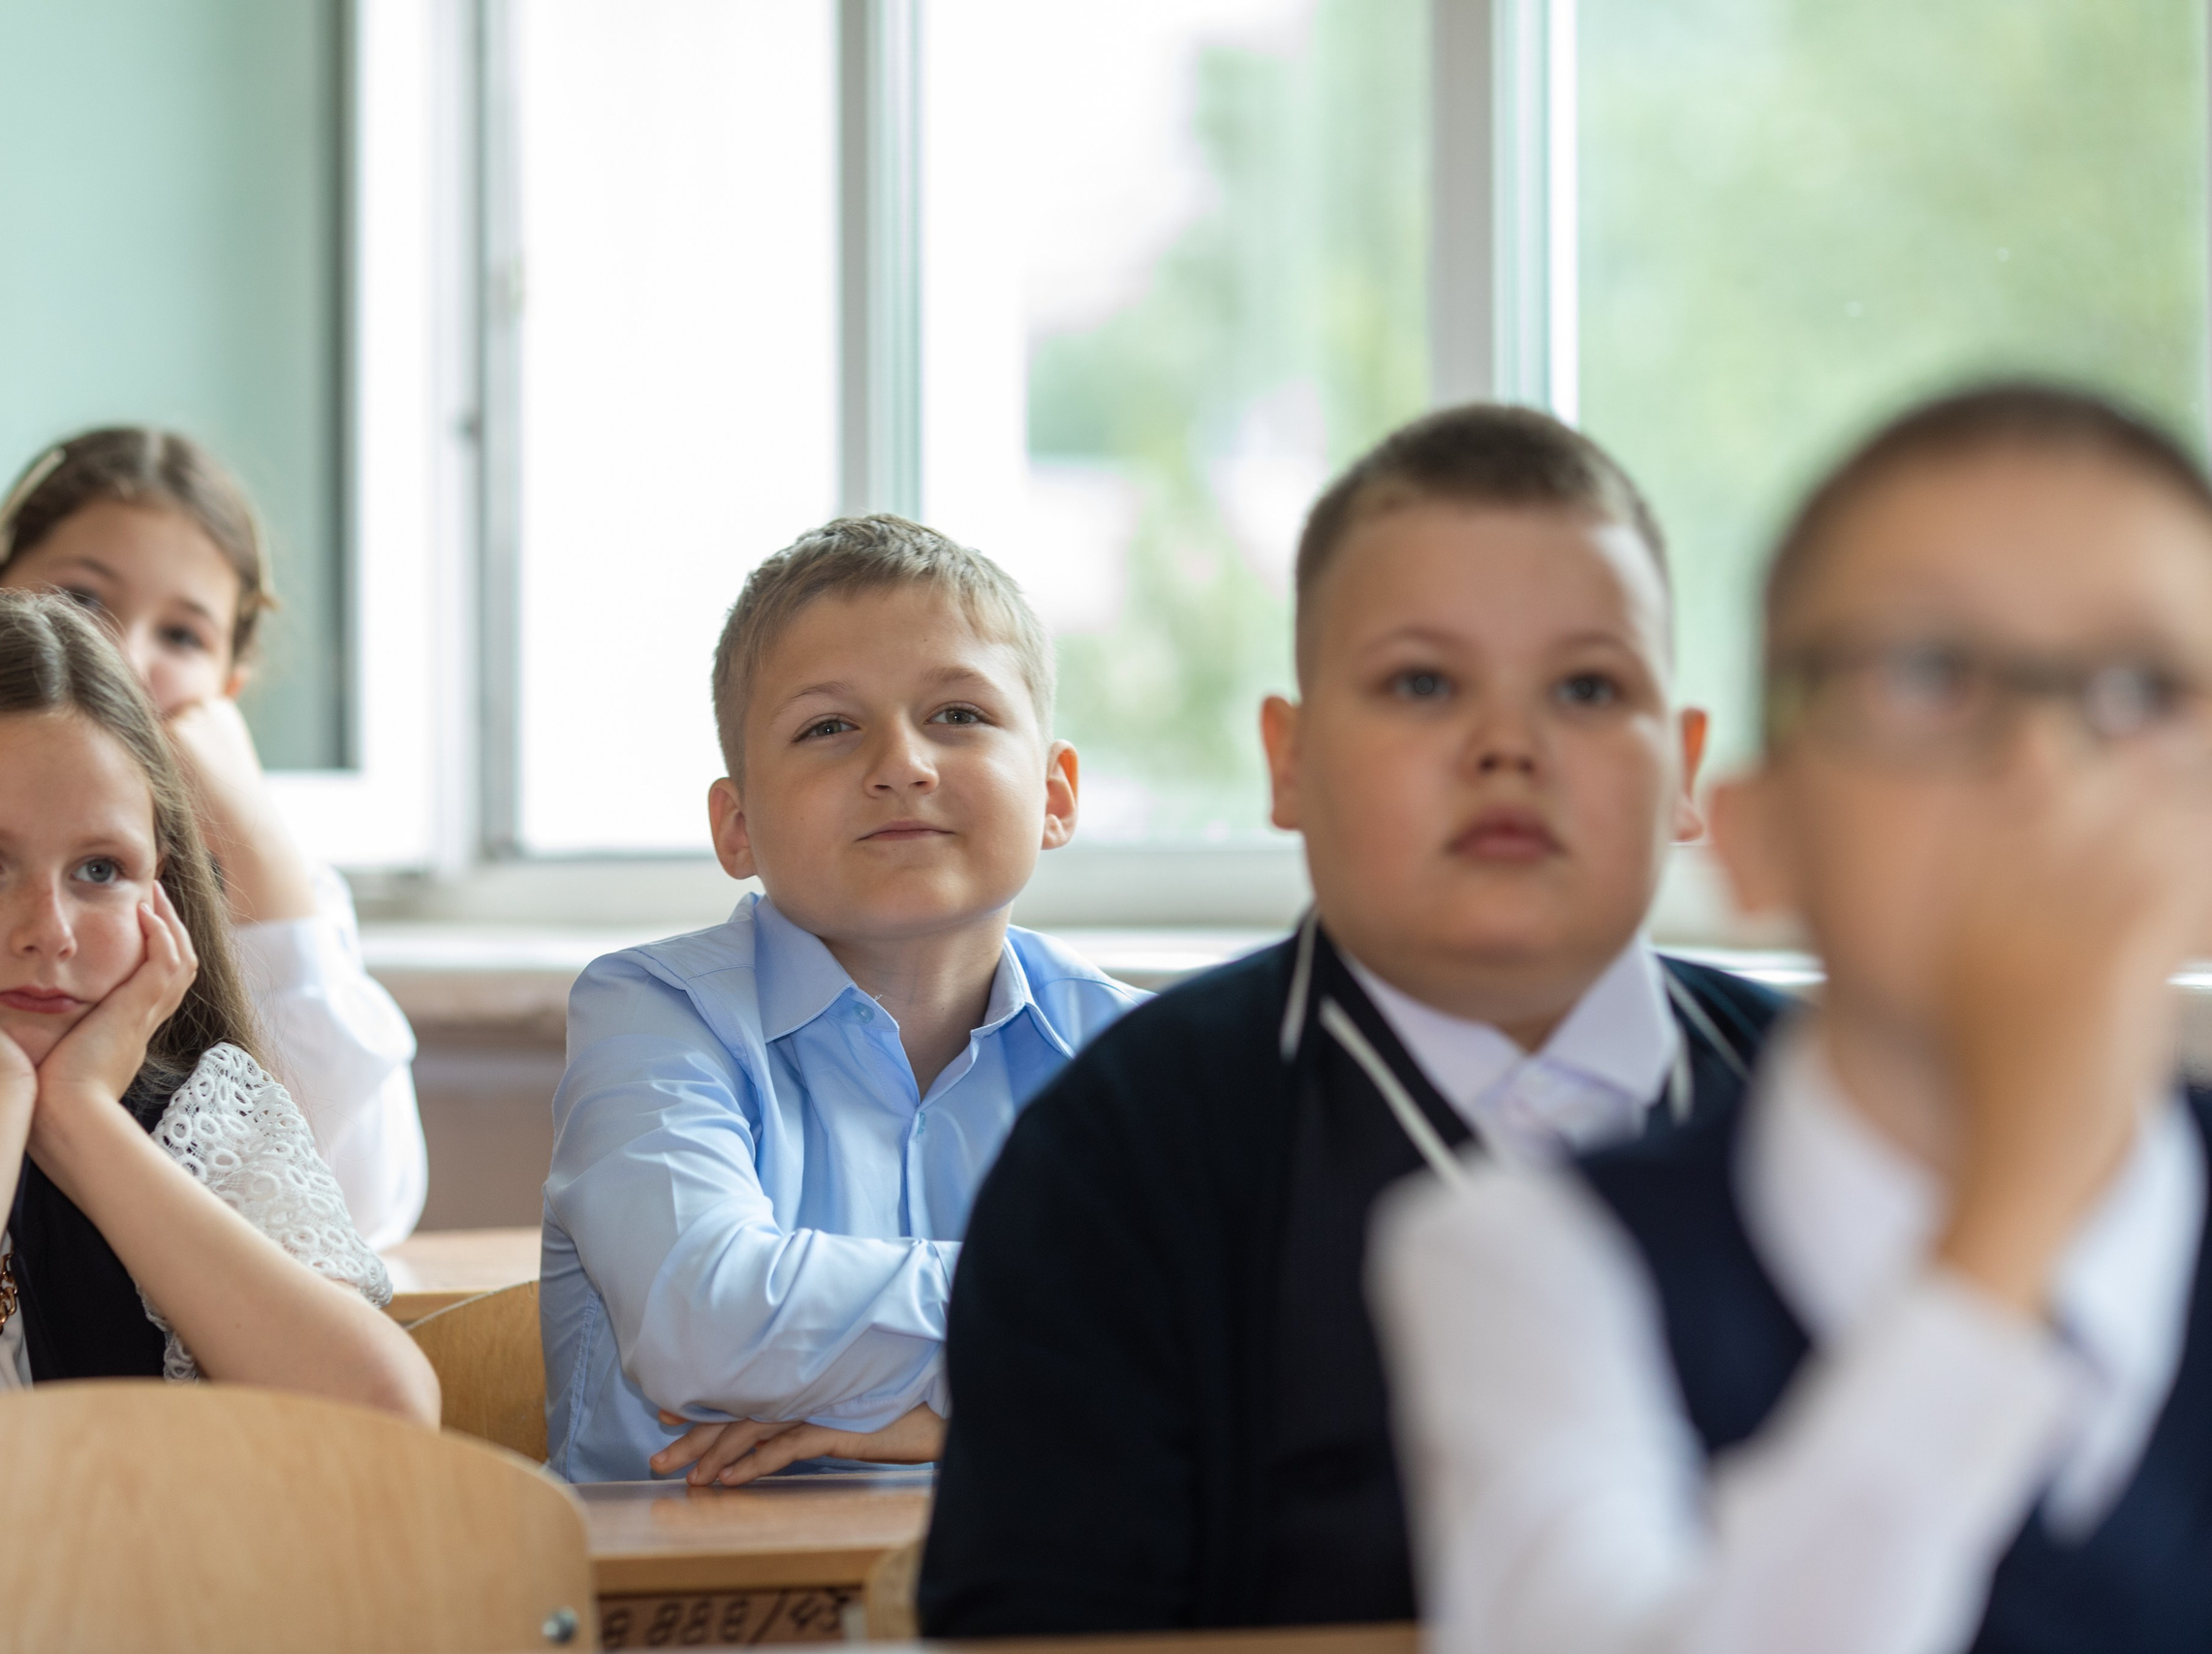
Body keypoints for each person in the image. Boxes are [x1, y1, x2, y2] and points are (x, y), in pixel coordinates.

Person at [917, 406, 1786, 1633]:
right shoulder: (1121, 1155)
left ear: (1685, 766)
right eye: (1422, 683)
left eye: (1587, 687)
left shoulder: (1852, 1106)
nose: (1506, 745)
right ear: (1291, 759)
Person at [1375, 384, 2212, 1654]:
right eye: (1930, 673)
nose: (2045, 765)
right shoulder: (1525, 1255)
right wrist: (2011, 1219)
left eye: (2143, 687)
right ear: (1755, 831)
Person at [0, 592, 438, 1474]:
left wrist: (77, 1119)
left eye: (100, 870)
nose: (50, 930)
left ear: (162, 895)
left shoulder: (202, 1119)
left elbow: (384, 1422)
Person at [540, 515, 1145, 1485]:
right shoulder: (651, 1012)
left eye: (959, 715)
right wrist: (1075, 1350)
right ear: (736, 827)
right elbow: (704, 1322)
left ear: (1055, 793)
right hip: (694, 1615)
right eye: (829, 727)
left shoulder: (1141, 1054)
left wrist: (958, 1424)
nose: (902, 763)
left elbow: (1272, 1351)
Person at [0, 429, 425, 1245]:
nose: (124, 657)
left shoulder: (275, 889)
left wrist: (262, 863)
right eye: (83, 599)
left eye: (182, 636)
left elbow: (360, 1210)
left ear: (228, 690)